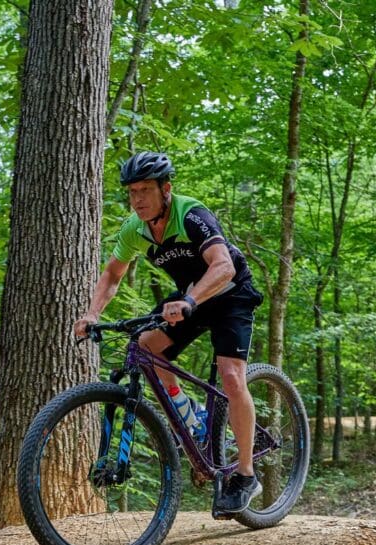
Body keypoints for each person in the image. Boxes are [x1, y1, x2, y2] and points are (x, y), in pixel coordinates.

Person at [73, 151, 265, 515]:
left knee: (231, 377)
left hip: (231, 294)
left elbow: (223, 266)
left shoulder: (191, 215)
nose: (138, 199)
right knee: (145, 347)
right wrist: (92, 313)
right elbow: (112, 274)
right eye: (132, 192)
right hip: (191, 297)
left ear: (166, 189)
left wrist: (189, 300)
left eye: (145, 190)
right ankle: (191, 418)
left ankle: (245, 475)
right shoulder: (135, 228)